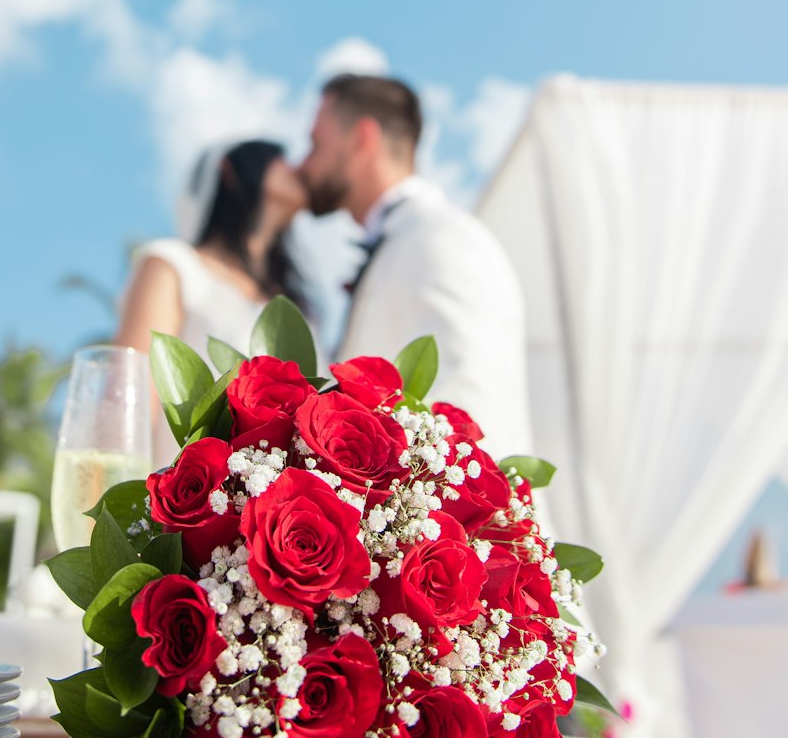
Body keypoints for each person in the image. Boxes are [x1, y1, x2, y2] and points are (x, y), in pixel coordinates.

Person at [299, 73, 533, 461]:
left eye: (315, 144)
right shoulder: (406, 242)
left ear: (362, 140)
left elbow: (469, 405)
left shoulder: (441, 238)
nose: (304, 165)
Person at [115, 139, 309, 466]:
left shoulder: (297, 306)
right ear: (231, 172)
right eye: (279, 160)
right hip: (185, 498)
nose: (298, 169)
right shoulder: (174, 266)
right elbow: (129, 399)